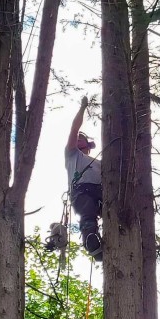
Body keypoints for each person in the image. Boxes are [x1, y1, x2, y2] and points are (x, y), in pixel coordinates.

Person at [66, 96, 102, 260]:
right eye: (77, 139)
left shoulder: (100, 163)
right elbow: (74, 129)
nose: (77, 139)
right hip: (82, 192)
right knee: (88, 212)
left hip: (100, 193)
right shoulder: (72, 154)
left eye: (82, 139)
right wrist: (82, 108)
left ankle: (104, 243)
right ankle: (91, 240)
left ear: (87, 144)